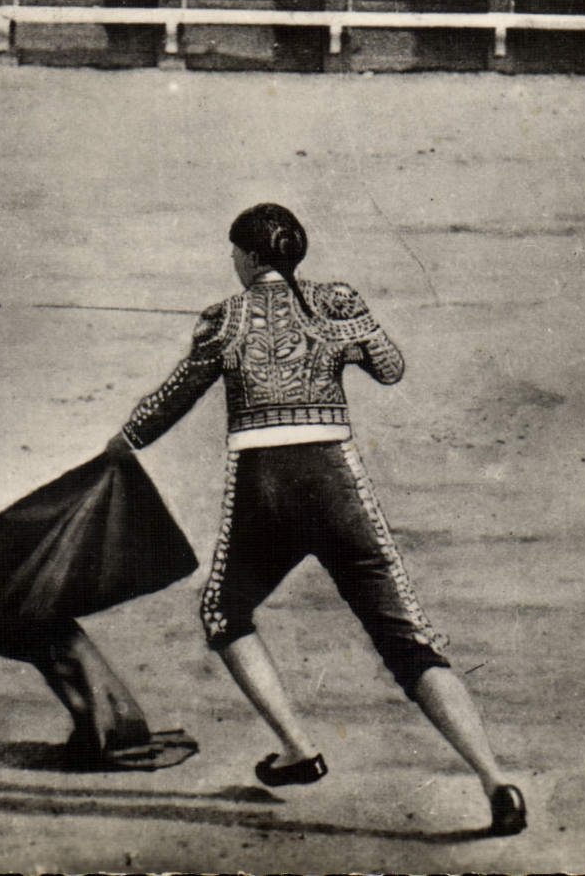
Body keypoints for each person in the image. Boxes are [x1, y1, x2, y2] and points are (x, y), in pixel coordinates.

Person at [105, 202, 525, 836]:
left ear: (248, 257)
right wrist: (349, 329)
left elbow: (170, 401)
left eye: (234, 254)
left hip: (264, 493)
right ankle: (495, 782)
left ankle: (298, 748)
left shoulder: (224, 318)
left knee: (224, 611)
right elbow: (391, 368)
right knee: (407, 639)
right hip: (336, 486)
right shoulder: (334, 302)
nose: (233, 263)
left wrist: (123, 441)